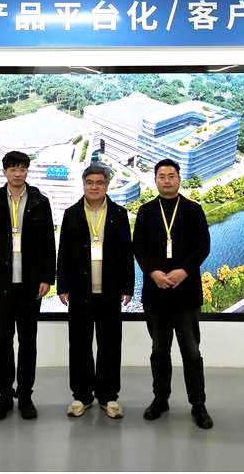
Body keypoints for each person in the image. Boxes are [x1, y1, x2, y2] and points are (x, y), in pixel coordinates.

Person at [133, 158, 213, 429]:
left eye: (171, 176)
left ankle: (198, 404)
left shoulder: (193, 210)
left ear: (179, 179)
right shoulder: (146, 211)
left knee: (191, 352)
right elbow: (138, 247)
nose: (166, 180)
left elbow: (203, 246)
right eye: (161, 176)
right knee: (159, 351)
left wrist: (184, 271)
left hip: (186, 293)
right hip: (156, 293)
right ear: (155, 180)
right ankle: (160, 399)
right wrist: (153, 272)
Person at [0, 150, 55, 420]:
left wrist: (47, 277)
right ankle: (4, 397)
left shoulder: (40, 202)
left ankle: (25, 397)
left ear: (27, 171)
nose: (18, 174)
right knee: (3, 343)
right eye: (13, 169)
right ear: (5, 172)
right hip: (1, 284)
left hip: (30, 285)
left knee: (28, 343)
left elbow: (49, 242)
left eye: (22, 169)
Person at [57, 163, 134, 419]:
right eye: (89, 182)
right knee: (79, 345)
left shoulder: (119, 214)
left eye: (99, 182)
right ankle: (81, 396)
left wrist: (128, 286)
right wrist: (62, 285)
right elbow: (64, 252)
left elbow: (127, 252)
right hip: (80, 290)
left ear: (107, 186)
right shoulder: (71, 214)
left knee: (110, 345)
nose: (94, 187)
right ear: (83, 185)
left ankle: (108, 396)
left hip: (110, 290)